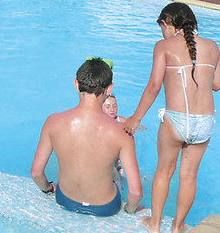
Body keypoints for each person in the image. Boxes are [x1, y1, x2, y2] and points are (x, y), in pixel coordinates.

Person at [124, 2, 220, 233]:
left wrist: (135, 118)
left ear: (166, 23)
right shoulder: (213, 46)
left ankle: (155, 224)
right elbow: (217, 85)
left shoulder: (163, 46)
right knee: (189, 176)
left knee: (163, 172)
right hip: (205, 122)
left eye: (161, 26)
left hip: (177, 119)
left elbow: (154, 86)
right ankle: (177, 228)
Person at [31, 58, 144, 217]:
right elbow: (136, 192)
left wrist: (49, 189)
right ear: (109, 88)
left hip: (64, 199)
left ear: (76, 84)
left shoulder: (53, 121)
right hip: (105, 207)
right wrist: (129, 210)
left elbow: (36, 173)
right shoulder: (122, 133)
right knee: (114, 170)